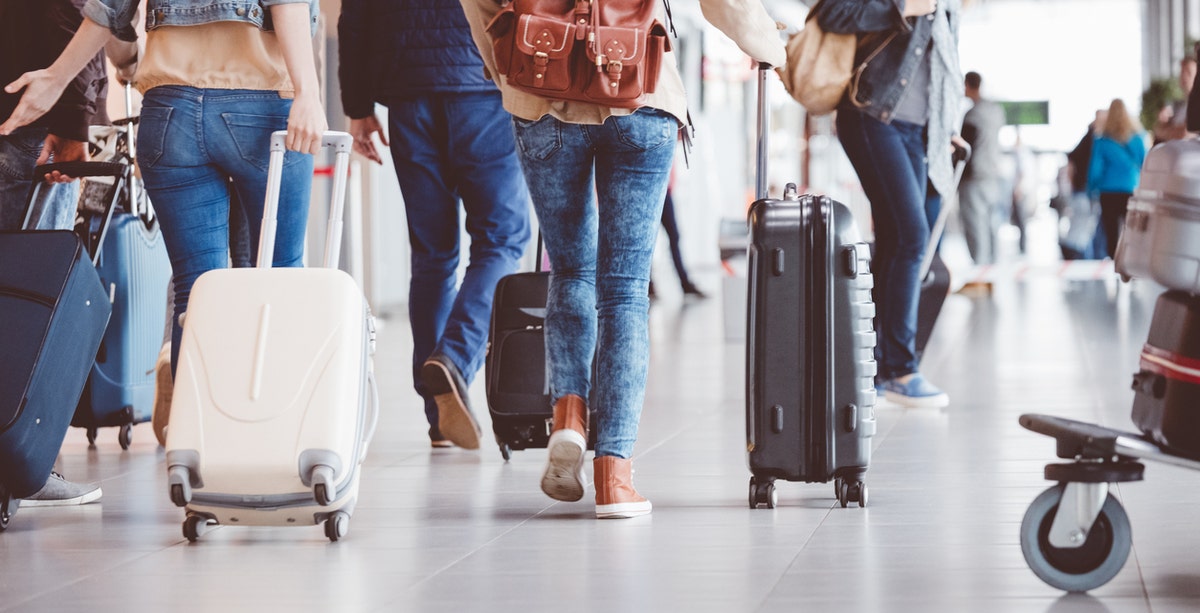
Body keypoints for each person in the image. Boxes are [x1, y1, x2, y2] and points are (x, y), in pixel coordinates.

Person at [458, 0, 784, 517]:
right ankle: (615, 476)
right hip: (641, 89)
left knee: (569, 270)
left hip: (542, 85)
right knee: (626, 290)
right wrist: (769, 45)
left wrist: (503, 70)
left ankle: (569, 413)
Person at [2, 0, 328, 389]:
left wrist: (57, 78)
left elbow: (112, 8)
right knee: (279, 280)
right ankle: (272, 424)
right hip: (262, 107)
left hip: (170, 111)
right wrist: (307, 90)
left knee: (197, 293)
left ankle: (198, 433)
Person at [338, 0, 532, 451]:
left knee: (432, 256)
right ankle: (455, 361)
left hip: (409, 92)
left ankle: (438, 416)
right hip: (483, 84)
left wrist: (357, 105)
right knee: (502, 241)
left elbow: (355, 18)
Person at [815, 0, 966, 409]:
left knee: (897, 242)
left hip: (919, 133)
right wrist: (903, 7)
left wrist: (946, 125)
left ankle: (874, 371)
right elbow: (832, 13)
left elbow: (938, 69)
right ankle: (900, 368)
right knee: (911, 236)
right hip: (871, 116)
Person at [0, 0, 112, 506]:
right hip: (28, 122)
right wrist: (73, 125)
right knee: (24, 307)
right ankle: (22, 465)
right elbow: (76, 15)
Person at [1087, 98, 1146, 260]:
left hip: (1108, 191)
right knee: (1131, 229)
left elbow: (1095, 169)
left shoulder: (1101, 141)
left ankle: (1115, 263)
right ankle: (1131, 260)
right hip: (1131, 189)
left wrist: (1091, 188)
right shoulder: (1138, 138)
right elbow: (1145, 164)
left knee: (1111, 231)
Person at [958, 70, 1005, 266]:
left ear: (967, 85)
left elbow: (965, 149)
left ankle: (979, 274)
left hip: (974, 177)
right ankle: (991, 270)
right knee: (990, 225)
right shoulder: (996, 111)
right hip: (993, 176)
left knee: (975, 226)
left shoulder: (972, 115)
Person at [1061, 109, 1106, 260]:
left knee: (1083, 226)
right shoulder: (1093, 140)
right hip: (1085, 190)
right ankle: (1077, 255)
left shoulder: (1092, 139)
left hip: (1084, 190)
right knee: (1083, 226)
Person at [651, 185, 708, 301]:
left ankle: (685, 283)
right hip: (650, 188)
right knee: (647, 239)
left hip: (664, 189)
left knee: (674, 236)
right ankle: (648, 285)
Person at [1153, 54, 1197, 144]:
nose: (1184, 76)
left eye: (1188, 72)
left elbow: (1184, 134)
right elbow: (1157, 130)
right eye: (1182, 72)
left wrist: (1166, 130)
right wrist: (1165, 126)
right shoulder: (1177, 105)